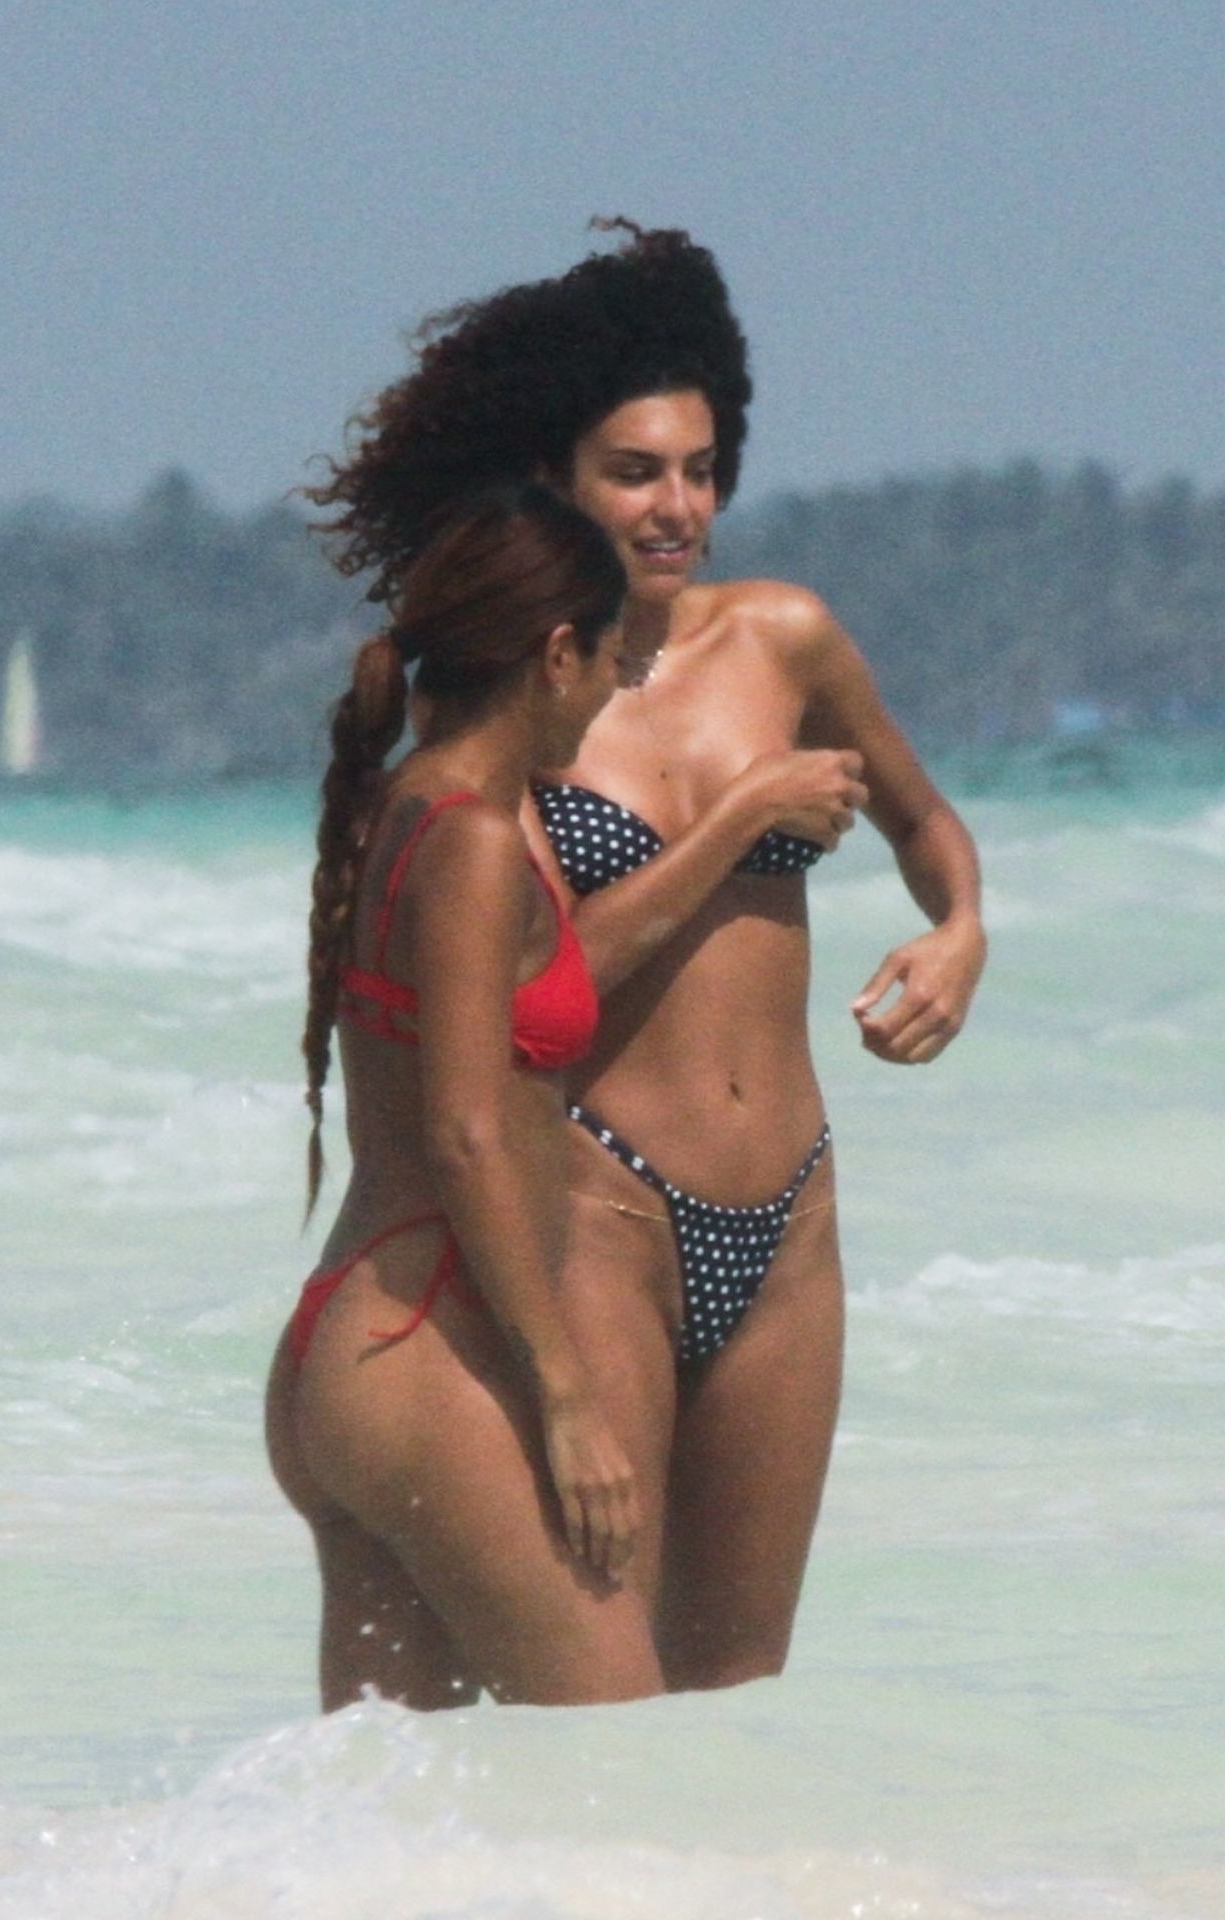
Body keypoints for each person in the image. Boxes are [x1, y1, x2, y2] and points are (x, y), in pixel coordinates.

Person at [304, 223, 987, 1693]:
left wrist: (958, 933)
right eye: (634, 473)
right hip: (604, 1215)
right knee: (609, 1690)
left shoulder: (786, 640)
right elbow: (533, 989)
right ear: (554, 479)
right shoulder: (528, 696)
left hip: (790, 1217)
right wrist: (739, 820)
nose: (677, 507)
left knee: (737, 1694)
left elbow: (925, 822)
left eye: (699, 469)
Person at [266, 484, 664, 1712]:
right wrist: (565, 1396)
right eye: (609, 663)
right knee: (624, 1773)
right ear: (557, 654)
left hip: (350, 1351)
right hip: (422, 1360)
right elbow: (465, 1131)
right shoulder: (478, 840)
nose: (609, 695)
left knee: (389, 1806)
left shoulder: (401, 807)